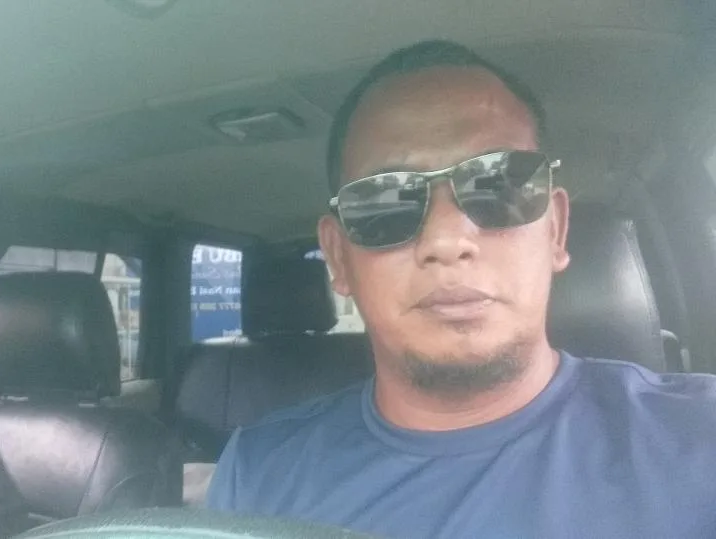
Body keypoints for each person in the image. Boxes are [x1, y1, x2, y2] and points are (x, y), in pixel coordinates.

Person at [207, 40, 716, 538]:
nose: (447, 241)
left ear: (555, 230)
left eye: (499, 186)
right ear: (338, 257)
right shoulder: (258, 474)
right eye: (385, 201)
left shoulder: (698, 437)